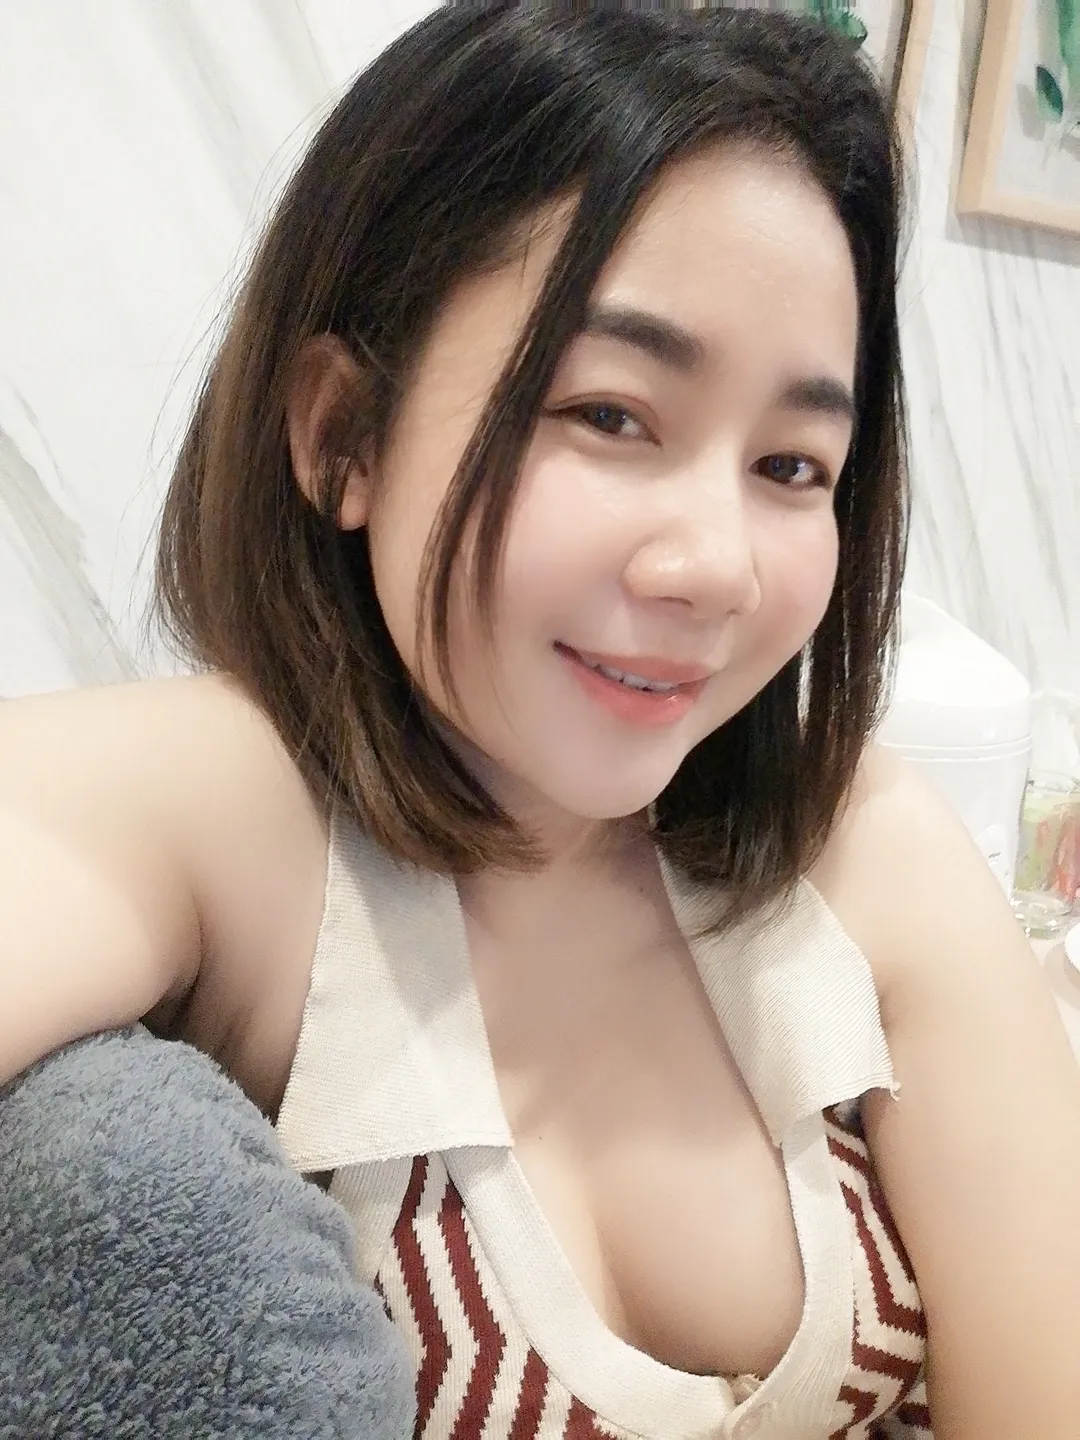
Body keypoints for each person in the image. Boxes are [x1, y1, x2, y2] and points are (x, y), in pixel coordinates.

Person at [2, 4, 1079, 1436]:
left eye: (791, 464)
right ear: (342, 434)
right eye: (611, 415)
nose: (716, 568)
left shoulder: (864, 852)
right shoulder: (233, 818)